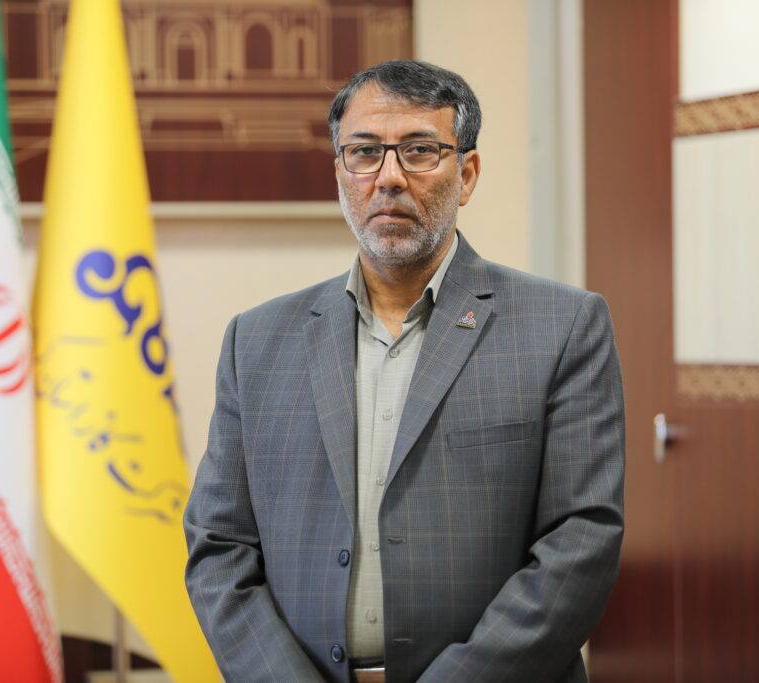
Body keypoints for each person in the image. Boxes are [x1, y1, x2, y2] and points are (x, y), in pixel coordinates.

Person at [184, 60, 624, 683]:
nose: (389, 177)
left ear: (467, 174)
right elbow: (219, 547)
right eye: (364, 152)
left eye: (419, 151)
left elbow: (581, 542)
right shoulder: (256, 342)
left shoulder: (563, 326)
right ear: (340, 174)